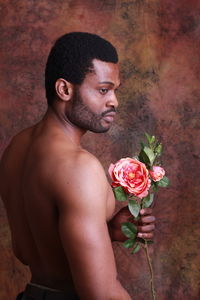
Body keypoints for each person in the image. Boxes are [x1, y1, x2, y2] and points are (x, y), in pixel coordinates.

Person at [0, 32, 155, 300]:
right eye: (103, 90)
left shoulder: (15, 149)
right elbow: (101, 294)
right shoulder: (80, 168)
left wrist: (106, 232)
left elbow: (28, 252)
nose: (114, 101)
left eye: (115, 91)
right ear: (64, 90)